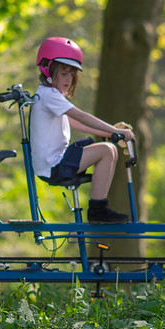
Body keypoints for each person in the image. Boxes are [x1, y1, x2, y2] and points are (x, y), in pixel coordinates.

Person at [30, 36, 135, 224]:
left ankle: (99, 208)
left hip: (54, 164)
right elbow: (81, 116)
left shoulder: (48, 94)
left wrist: (110, 133)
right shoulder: (49, 95)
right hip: (54, 167)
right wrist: (114, 131)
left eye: (72, 74)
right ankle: (98, 210)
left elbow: (74, 123)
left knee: (106, 148)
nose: (68, 79)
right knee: (107, 150)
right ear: (48, 69)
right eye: (63, 73)